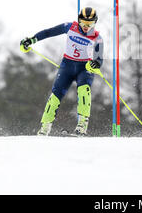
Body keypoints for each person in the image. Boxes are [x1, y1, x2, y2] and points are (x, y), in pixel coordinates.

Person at [20, 7, 104, 136]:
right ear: (78, 20)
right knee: (55, 95)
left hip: (84, 68)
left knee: (84, 91)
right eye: (83, 23)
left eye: (90, 24)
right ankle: (44, 128)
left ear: (95, 22)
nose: (86, 27)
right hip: (67, 65)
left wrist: (95, 64)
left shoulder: (97, 38)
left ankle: (82, 126)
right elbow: (49, 32)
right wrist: (32, 40)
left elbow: (99, 59)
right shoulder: (70, 27)